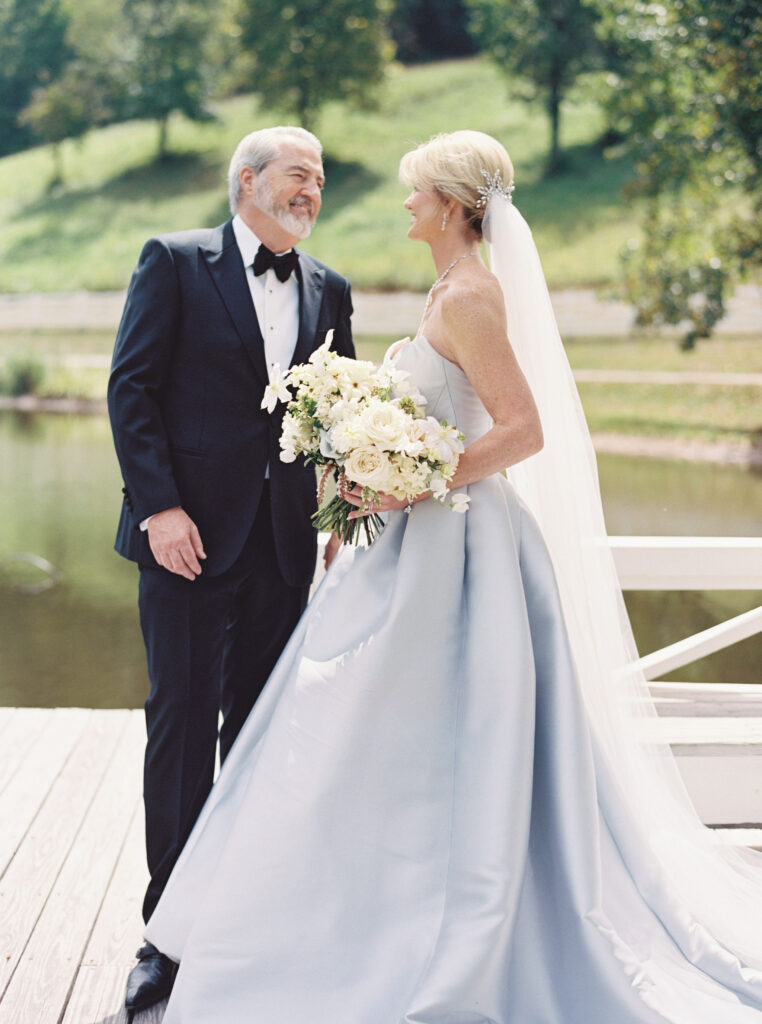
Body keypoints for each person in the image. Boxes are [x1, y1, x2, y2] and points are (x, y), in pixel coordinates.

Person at [142, 131, 762, 1022]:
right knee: (365, 736)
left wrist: (411, 476)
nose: (406, 205)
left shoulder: (471, 295)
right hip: (407, 541)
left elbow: (522, 429)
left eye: (417, 192)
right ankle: (343, 918)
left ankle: (425, 928)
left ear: (455, 206)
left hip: (459, 549)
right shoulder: (448, 287)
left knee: (413, 736)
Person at [107, 125, 354, 1014]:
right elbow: (130, 388)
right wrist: (159, 507)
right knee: (180, 730)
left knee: (252, 737)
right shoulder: (174, 262)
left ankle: (239, 922)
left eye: (320, 179)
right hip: (186, 541)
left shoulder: (330, 288)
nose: (311, 191)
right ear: (246, 180)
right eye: (297, 174)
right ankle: (165, 937)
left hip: (285, 548)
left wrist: (337, 508)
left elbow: (338, 411)